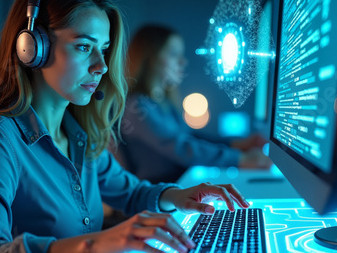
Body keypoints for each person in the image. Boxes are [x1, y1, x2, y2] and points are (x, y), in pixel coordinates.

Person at [0, 0, 251, 253]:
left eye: (104, 49)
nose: (102, 66)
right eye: (84, 46)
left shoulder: (80, 136)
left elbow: (133, 193)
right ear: (32, 47)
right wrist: (93, 245)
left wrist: (177, 197)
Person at [114, 24, 271, 184]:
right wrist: (239, 159)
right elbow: (181, 147)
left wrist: (238, 144)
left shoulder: (162, 102)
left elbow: (189, 136)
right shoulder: (138, 107)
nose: (183, 61)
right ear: (150, 57)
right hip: (158, 190)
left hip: (177, 184)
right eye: (174, 54)